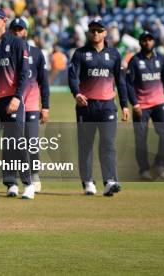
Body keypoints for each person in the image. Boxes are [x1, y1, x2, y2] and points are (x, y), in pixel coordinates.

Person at [68, 18, 129, 196]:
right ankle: (88, 181)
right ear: (89, 32)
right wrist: (77, 94)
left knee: (108, 144)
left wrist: (125, 105)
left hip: (108, 106)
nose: (95, 33)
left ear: (105, 32)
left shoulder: (114, 54)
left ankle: (110, 181)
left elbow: (121, 81)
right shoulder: (80, 53)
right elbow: (73, 77)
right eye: (93, 30)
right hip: (86, 106)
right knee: (86, 146)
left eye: (99, 30)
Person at [0, 9, 34, 199]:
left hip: (12, 100)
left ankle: (27, 184)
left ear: (4, 21)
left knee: (16, 143)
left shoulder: (18, 44)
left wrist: (17, 97)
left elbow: (24, 74)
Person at [126, 31, 164, 181]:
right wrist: (134, 104)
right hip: (141, 106)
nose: (147, 43)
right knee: (141, 139)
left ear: (153, 42)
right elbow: (128, 84)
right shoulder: (134, 61)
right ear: (140, 43)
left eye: (150, 40)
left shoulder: (160, 59)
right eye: (144, 40)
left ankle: (160, 165)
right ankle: (143, 170)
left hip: (159, 103)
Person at [9, 18, 50, 192]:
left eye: (21, 29)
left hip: (31, 103)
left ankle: (33, 175)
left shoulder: (37, 53)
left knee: (31, 141)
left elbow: (44, 81)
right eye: (15, 29)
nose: (18, 32)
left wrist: (45, 106)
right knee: (13, 143)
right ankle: (12, 180)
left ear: (25, 32)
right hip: (12, 104)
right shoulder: (7, 52)